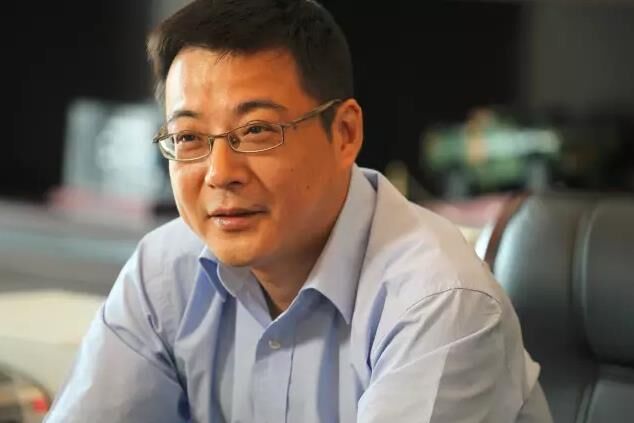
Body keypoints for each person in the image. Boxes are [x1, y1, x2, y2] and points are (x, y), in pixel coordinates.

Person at [45, 0, 553, 421]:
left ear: (345, 134)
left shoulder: (439, 301)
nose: (220, 173)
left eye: (257, 131)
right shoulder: (163, 272)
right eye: (188, 138)